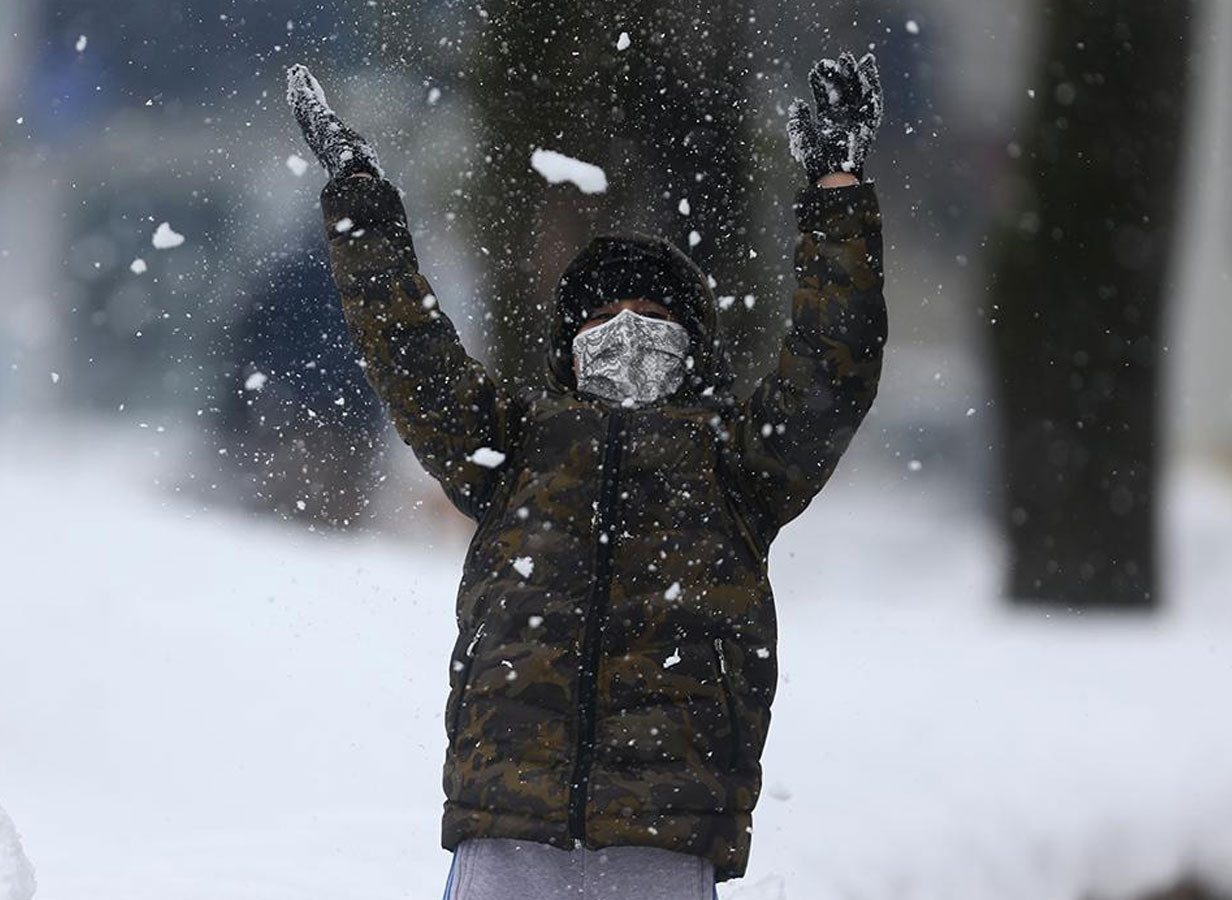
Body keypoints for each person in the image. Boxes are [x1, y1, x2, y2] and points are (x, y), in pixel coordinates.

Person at [285, 51, 886, 899]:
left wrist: (836, 194)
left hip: (666, 830)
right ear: (568, 348)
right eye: (603, 315)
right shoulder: (512, 444)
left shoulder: (737, 462)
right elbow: (410, 353)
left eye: (652, 315)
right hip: (508, 827)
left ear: (694, 346)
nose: (627, 331)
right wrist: (360, 202)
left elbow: (834, 366)